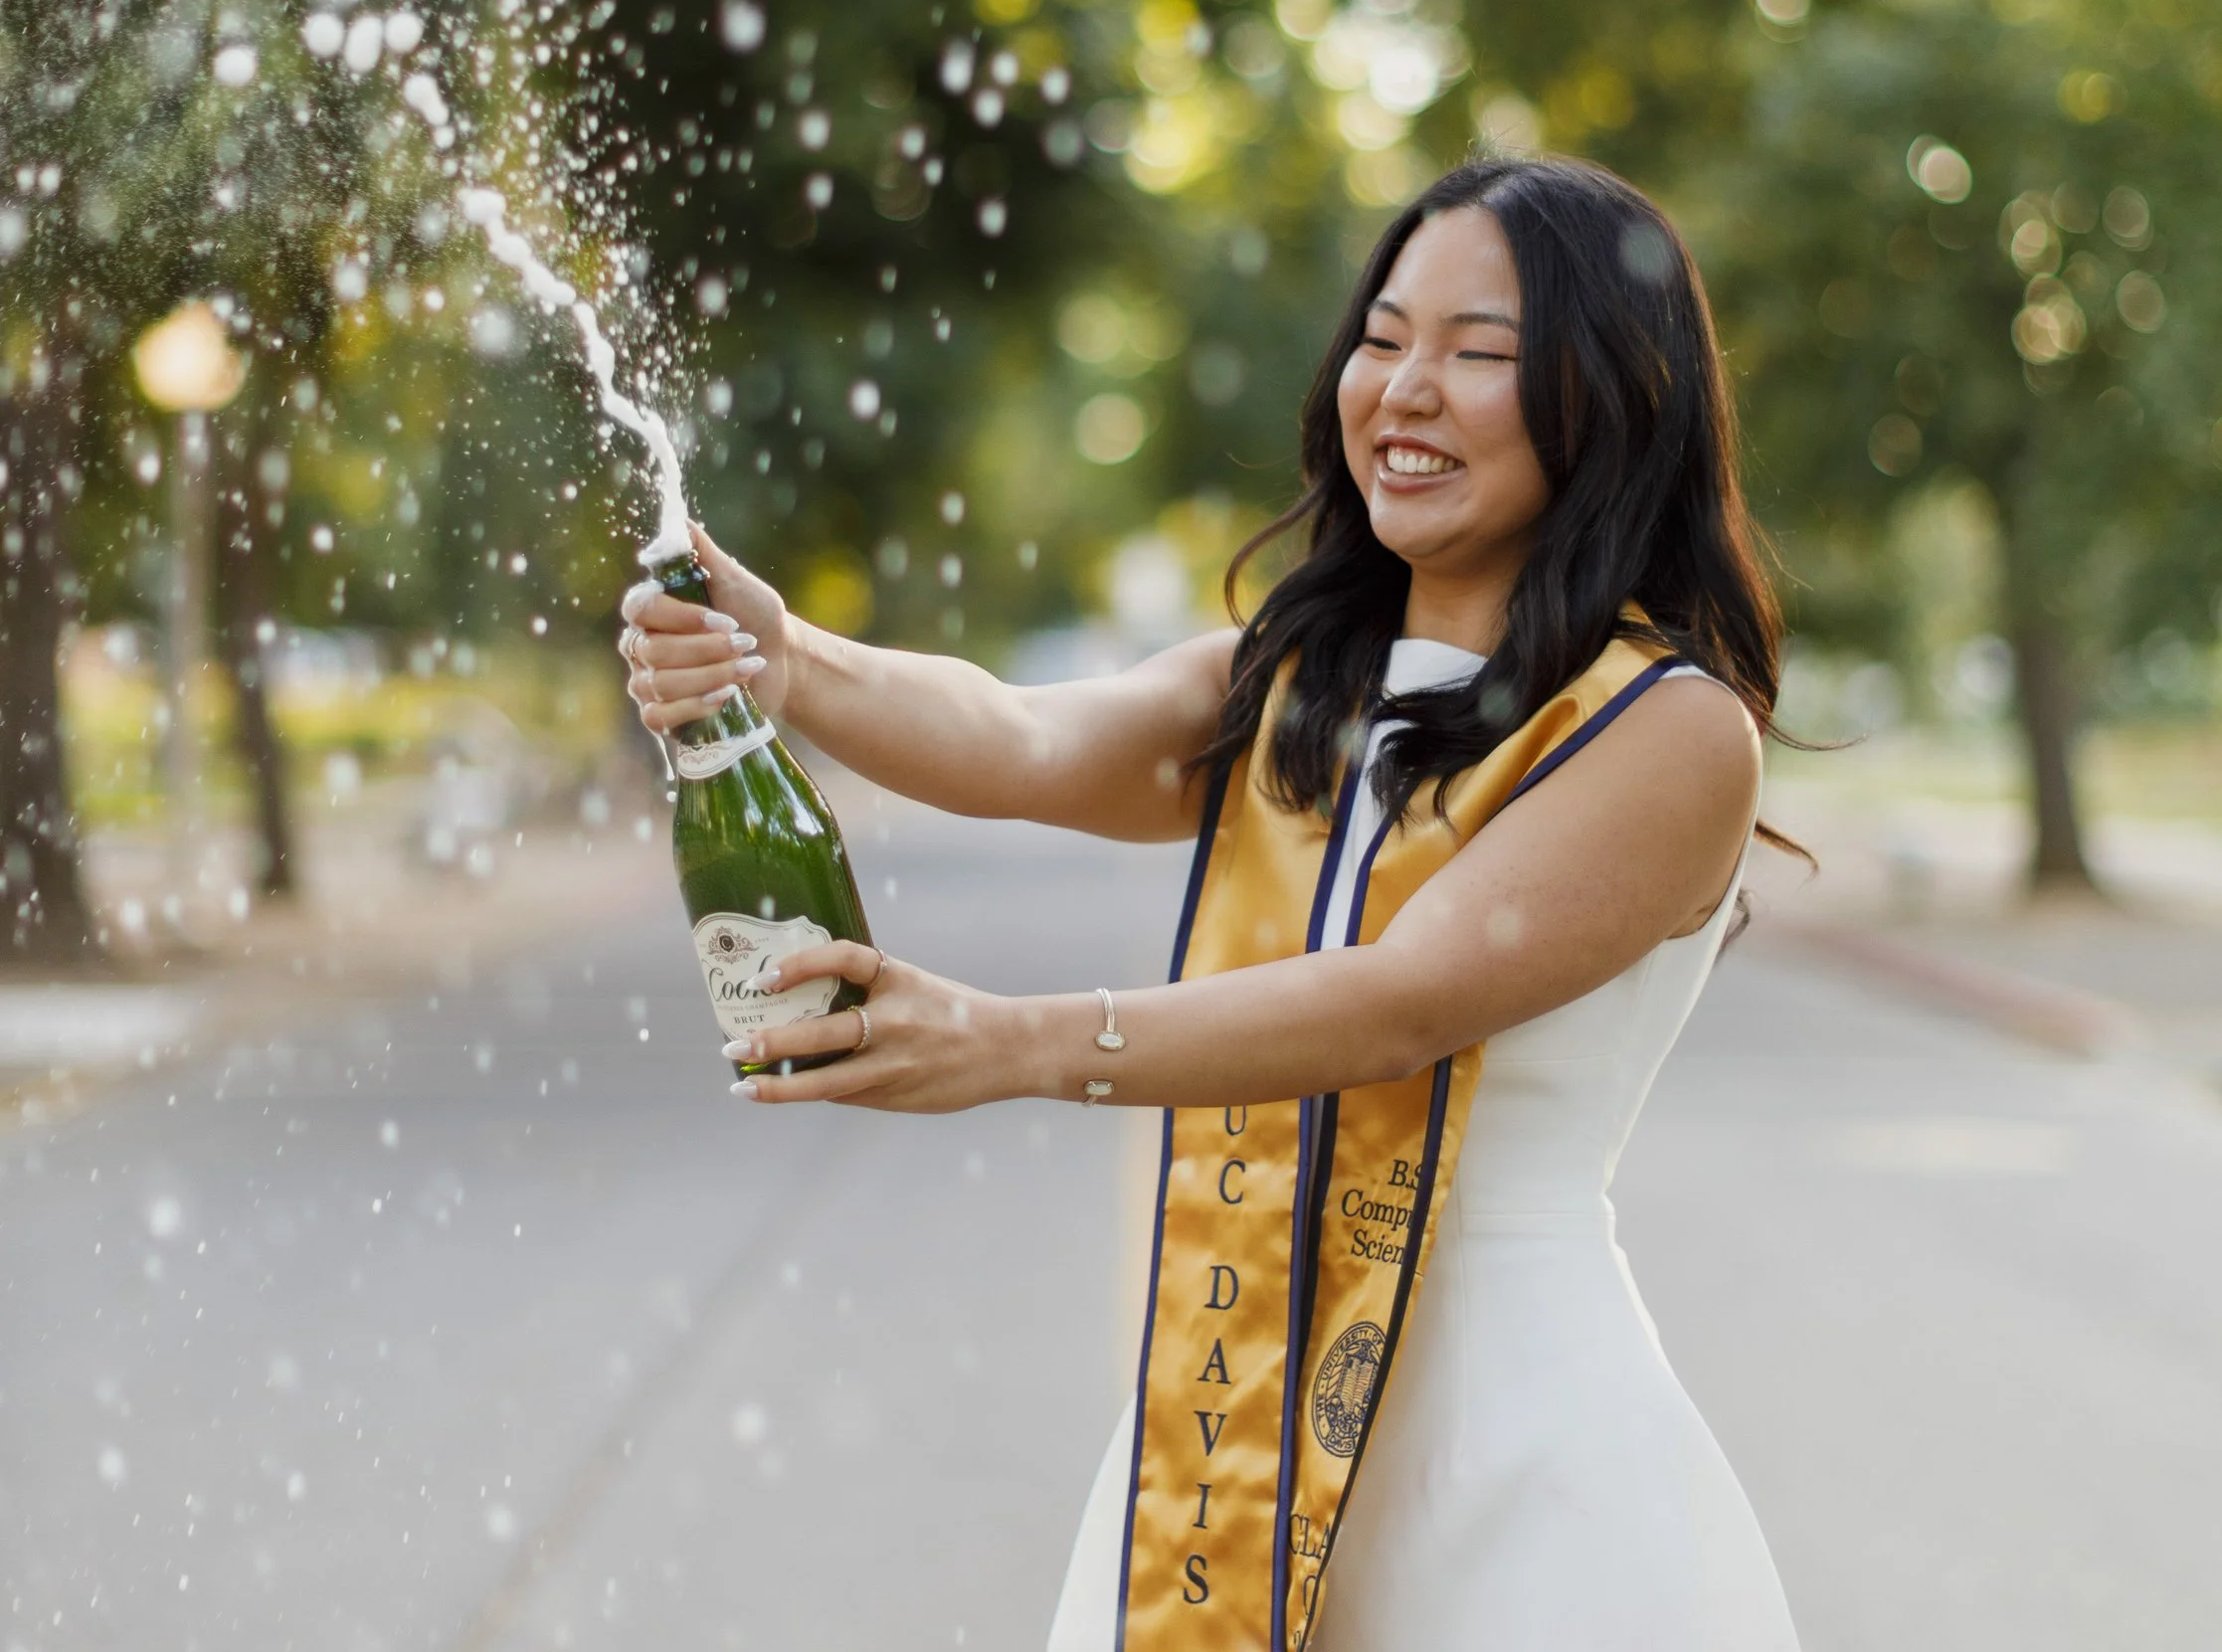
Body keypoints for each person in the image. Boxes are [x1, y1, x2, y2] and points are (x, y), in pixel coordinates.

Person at [619, 155, 1801, 1650]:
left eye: (1480, 354)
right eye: (1383, 339)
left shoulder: (1666, 728)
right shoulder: (1300, 680)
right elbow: (1026, 739)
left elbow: (1401, 1000)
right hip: (1233, 1395)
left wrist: (1013, 1044)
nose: (1408, 389)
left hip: (1515, 1442)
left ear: (1613, 394)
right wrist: (785, 662)